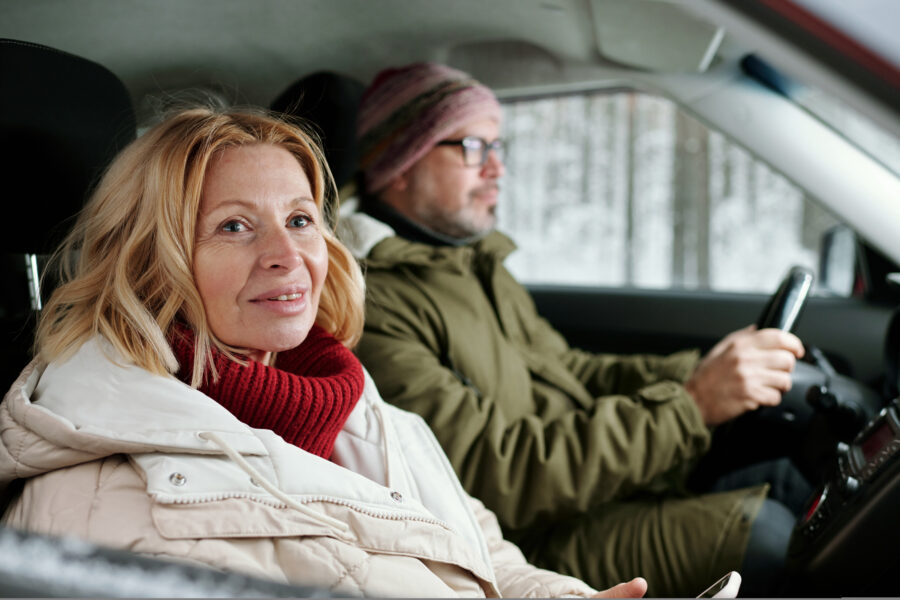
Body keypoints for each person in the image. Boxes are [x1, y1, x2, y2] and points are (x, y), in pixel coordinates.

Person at [0, 107, 647, 598]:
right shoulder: (103, 508)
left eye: (301, 219)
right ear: (148, 264)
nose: (288, 255)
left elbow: (474, 554)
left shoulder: (348, 397)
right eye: (234, 226)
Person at [339, 62, 810, 597]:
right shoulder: (372, 305)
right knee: (774, 536)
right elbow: (497, 477)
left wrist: (703, 373)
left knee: (789, 476)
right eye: (474, 148)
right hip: (530, 541)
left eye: (499, 149)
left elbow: (568, 371)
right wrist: (692, 405)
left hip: (589, 494)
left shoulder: (471, 263)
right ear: (400, 162)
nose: (497, 169)